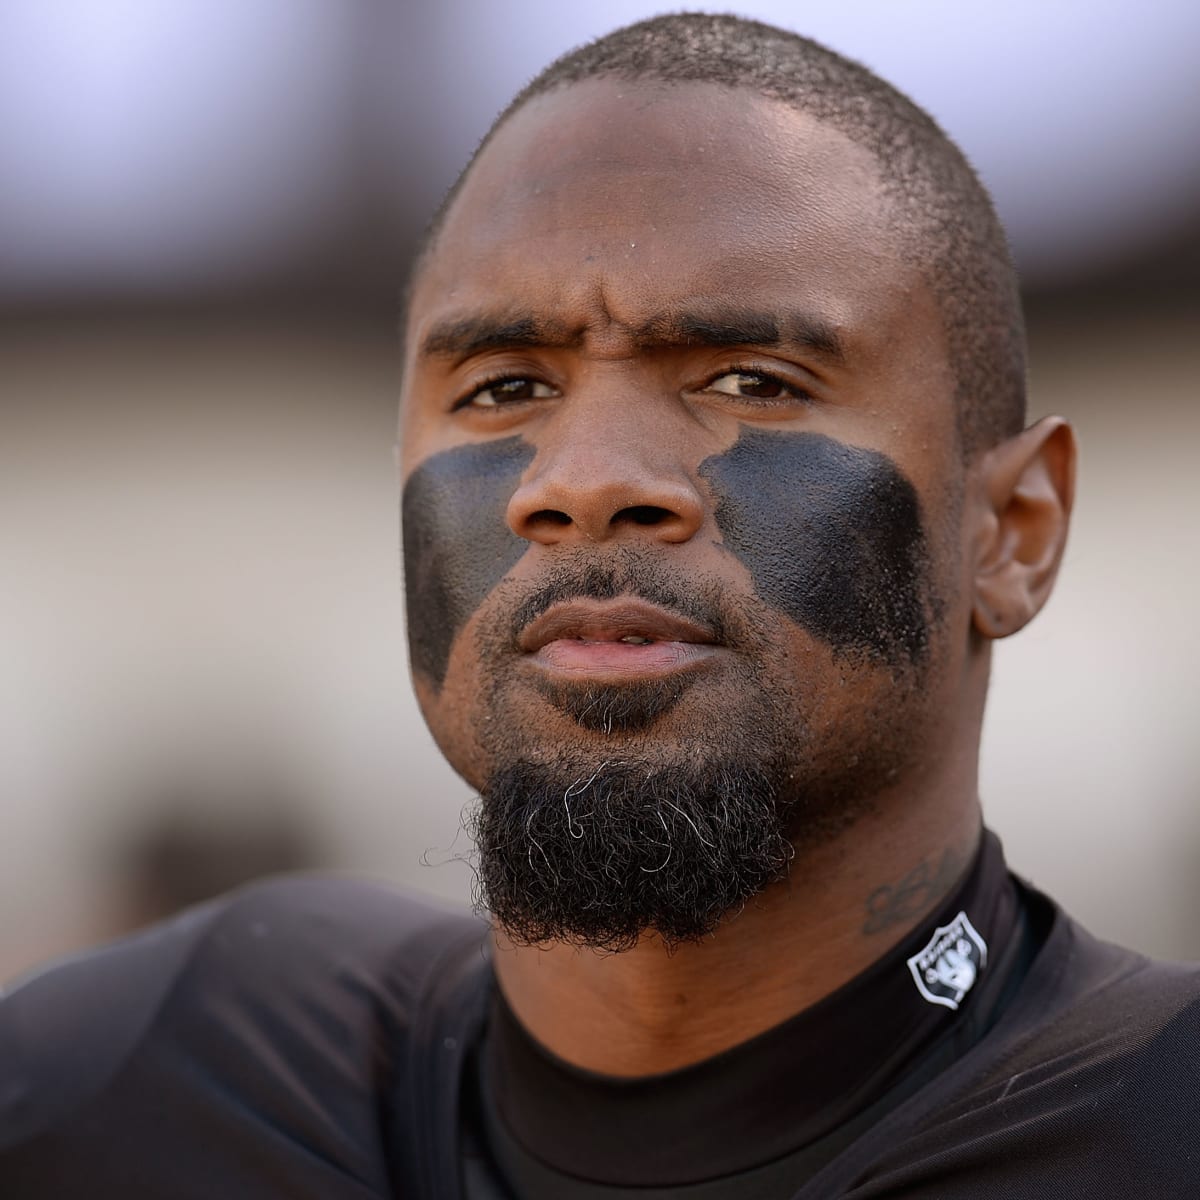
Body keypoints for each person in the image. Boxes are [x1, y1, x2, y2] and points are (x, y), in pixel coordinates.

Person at [3, 13, 1198, 1198]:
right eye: (505, 385)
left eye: (753, 381)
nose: (580, 483)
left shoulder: (1150, 1128)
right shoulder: (135, 1092)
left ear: (1015, 531)